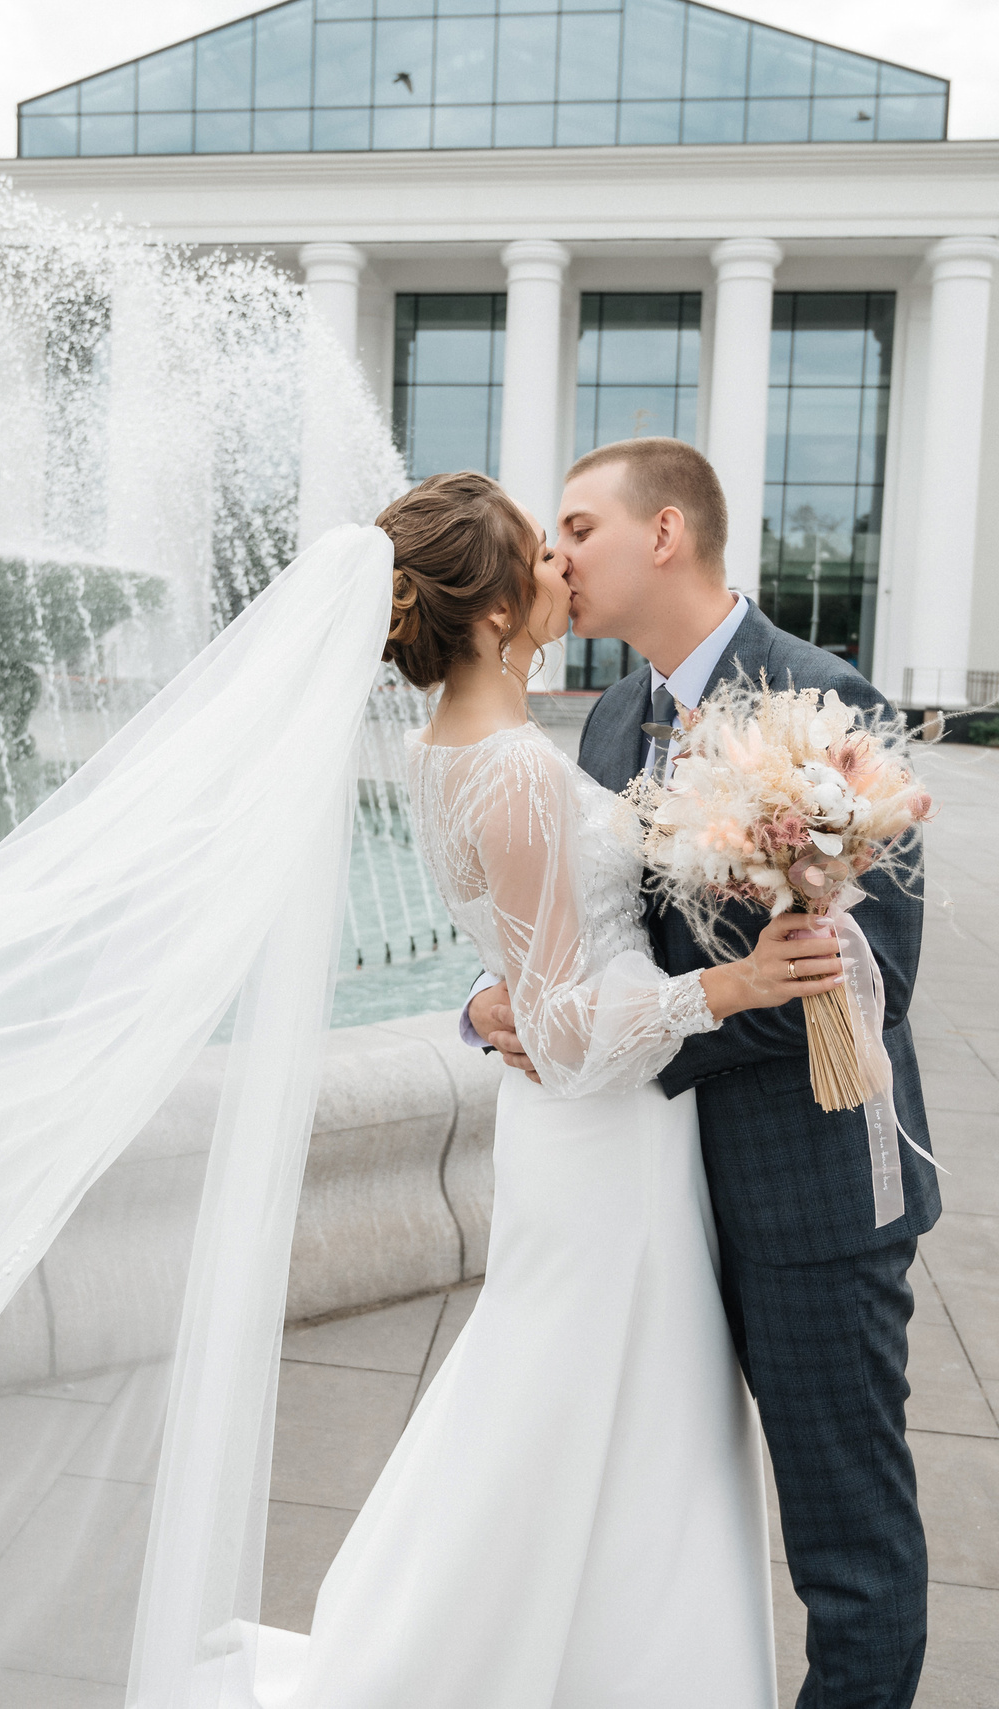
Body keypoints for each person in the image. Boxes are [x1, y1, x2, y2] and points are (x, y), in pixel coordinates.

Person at [241, 470, 843, 1709]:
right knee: (582, 1407)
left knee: (593, 1411)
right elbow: (567, 1030)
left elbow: (530, 963)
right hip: (599, 1138)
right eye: (540, 551)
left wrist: (487, 995)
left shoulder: (460, 746)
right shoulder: (506, 763)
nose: (562, 567)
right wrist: (737, 987)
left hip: (604, 1134)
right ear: (492, 609)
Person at [465, 439, 940, 1709]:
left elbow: (859, 970)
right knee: (665, 1509)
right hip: (654, 1199)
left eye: (578, 526)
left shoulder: (824, 698)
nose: (553, 555)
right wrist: (503, 1007)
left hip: (807, 1188)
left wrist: (639, 1030)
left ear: (663, 533)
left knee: (844, 1539)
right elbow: (573, 932)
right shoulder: (614, 717)